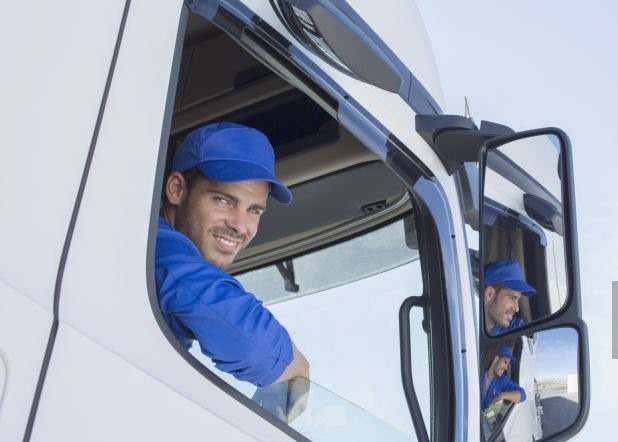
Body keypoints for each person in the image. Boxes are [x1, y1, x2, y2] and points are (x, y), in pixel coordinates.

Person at [155, 122, 310, 389]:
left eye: (253, 211)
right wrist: (294, 371)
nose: (240, 226)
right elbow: (272, 360)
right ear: (177, 189)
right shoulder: (158, 248)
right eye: (224, 201)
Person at [483, 260, 536, 336]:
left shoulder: (514, 328)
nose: (516, 309)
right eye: (512, 298)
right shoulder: (468, 324)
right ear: (489, 294)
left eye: (518, 299)